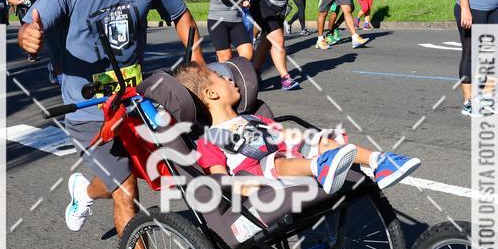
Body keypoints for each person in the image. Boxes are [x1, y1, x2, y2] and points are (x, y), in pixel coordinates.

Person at [18, 0, 204, 249]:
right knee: (128, 191)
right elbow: (37, 19)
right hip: (88, 106)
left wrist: (199, 71)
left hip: (137, 98)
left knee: (183, 159)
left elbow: (182, 17)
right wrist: (29, 35)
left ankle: (83, 188)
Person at [176, 62, 421, 195]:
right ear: (211, 93)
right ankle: (320, 167)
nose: (231, 79)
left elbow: (284, 137)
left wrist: (309, 142)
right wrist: (238, 189)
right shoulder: (209, 140)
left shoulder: (254, 118)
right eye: (222, 78)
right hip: (259, 174)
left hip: (289, 155)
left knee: (320, 140)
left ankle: (381, 162)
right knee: (276, 162)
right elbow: (218, 174)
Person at [30, 0, 61, 84]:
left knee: (66, 47)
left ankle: (56, 67)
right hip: (45, 19)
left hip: (62, 17)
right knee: (55, 48)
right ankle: (57, 73)